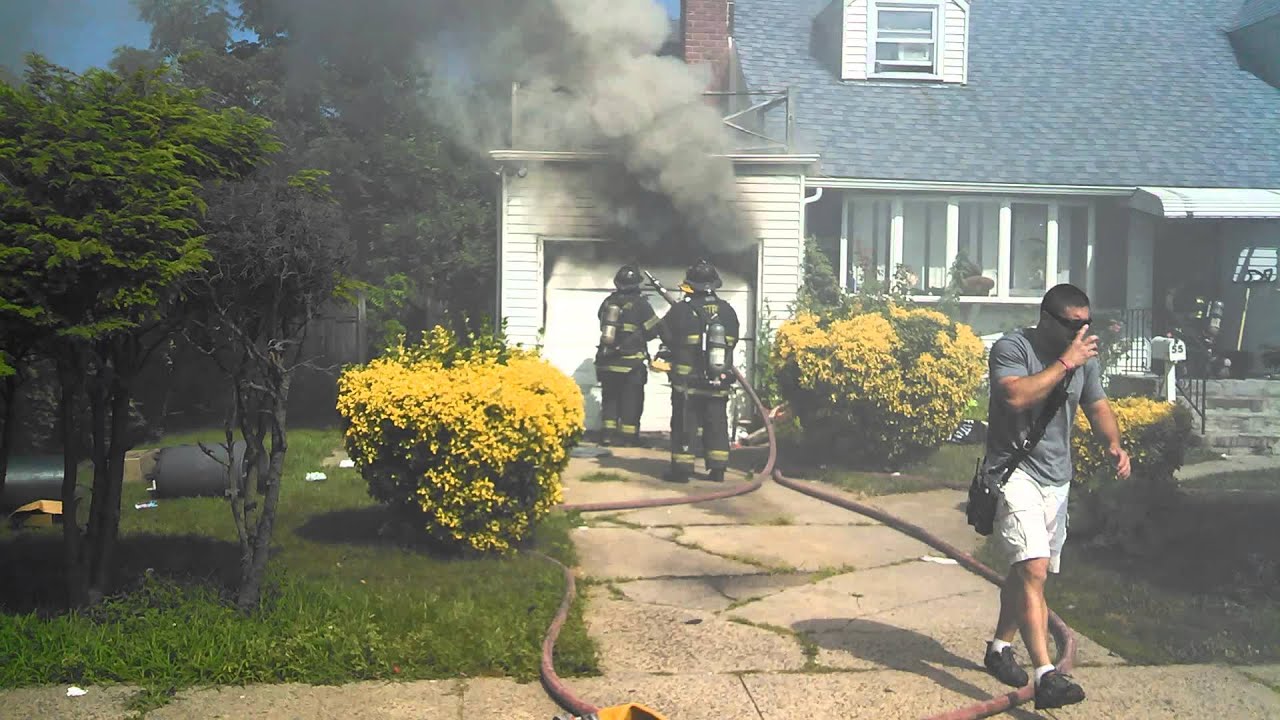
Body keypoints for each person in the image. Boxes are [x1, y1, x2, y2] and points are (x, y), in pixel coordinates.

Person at [981, 283, 1131, 710]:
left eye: (1086, 324)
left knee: (1026, 571)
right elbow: (1013, 396)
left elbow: (1097, 405)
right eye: (1071, 324)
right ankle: (1047, 674)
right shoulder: (1013, 348)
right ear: (1046, 319)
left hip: (1056, 479)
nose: (1080, 332)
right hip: (1014, 473)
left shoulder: (1082, 359)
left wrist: (1113, 444)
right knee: (1034, 569)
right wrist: (1067, 363)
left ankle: (998, 648)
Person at [637, 260, 740, 483]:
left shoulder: (681, 310)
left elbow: (664, 335)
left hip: (687, 382)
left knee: (686, 424)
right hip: (717, 380)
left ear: (691, 285)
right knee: (716, 423)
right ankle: (718, 468)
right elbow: (733, 342)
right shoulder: (727, 311)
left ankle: (682, 471)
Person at [594, 265, 660, 447]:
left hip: (607, 361)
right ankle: (628, 438)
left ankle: (607, 435)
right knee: (631, 400)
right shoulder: (641, 304)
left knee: (610, 398)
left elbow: (602, 323)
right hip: (632, 363)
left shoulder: (608, 302)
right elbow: (653, 331)